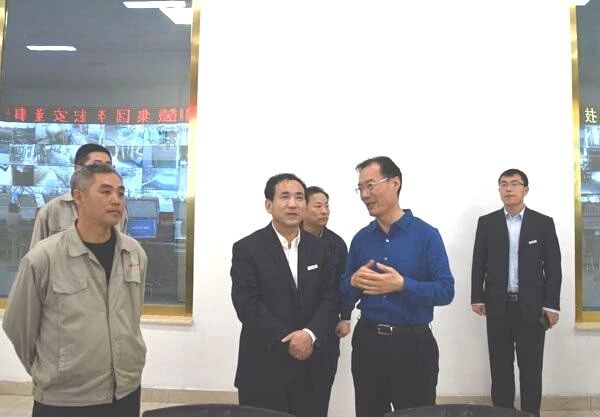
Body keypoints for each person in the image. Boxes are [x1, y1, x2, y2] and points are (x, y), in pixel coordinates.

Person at [3, 164, 147, 417]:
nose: (116, 200)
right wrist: (52, 370)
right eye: (106, 192)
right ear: (78, 197)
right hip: (65, 399)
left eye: (121, 193)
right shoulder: (44, 257)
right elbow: (18, 325)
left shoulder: (133, 252)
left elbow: (133, 315)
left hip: (125, 391)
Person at [340, 156, 454, 417]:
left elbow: (446, 290)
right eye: (360, 188)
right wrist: (352, 282)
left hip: (413, 346)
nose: (365, 195)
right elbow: (345, 294)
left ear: (395, 183)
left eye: (370, 185)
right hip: (368, 344)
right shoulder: (361, 239)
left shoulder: (427, 235)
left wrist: (403, 285)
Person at [230, 173, 338, 417]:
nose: (292, 204)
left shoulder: (321, 249)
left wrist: (309, 335)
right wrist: (290, 339)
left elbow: (330, 298)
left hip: (312, 366)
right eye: (285, 197)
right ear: (269, 205)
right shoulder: (247, 248)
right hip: (263, 364)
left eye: (299, 197)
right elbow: (246, 304)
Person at [471, 168, 562, 417]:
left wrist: (552, 305)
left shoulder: (542, 223)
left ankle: (531, 414)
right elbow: (479, 262)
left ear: (525, 189)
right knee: (500, 369)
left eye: (514, 184)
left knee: (531, 369)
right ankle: (503, 414)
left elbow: (553, 267)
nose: (508, 189)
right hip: (497, 306)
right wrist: (477, 296)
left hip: (532, 308)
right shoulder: (487, 223)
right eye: (503, 184)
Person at [302, 186, 350, 416]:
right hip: (293, 327)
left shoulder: (336, 244)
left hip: (326, 327)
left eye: (327, 206)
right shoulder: (290, 239)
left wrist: (345, 317)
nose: (324, 211)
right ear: (303, 208)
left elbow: (344, 284)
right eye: (318, 206)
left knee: (319, 392)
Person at [30, 143, 127, 248]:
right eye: (96, 166)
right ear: (78, 169)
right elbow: (36, 254)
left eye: (108, 166)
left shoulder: (116, 210)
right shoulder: (51, 210)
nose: (104, 172)